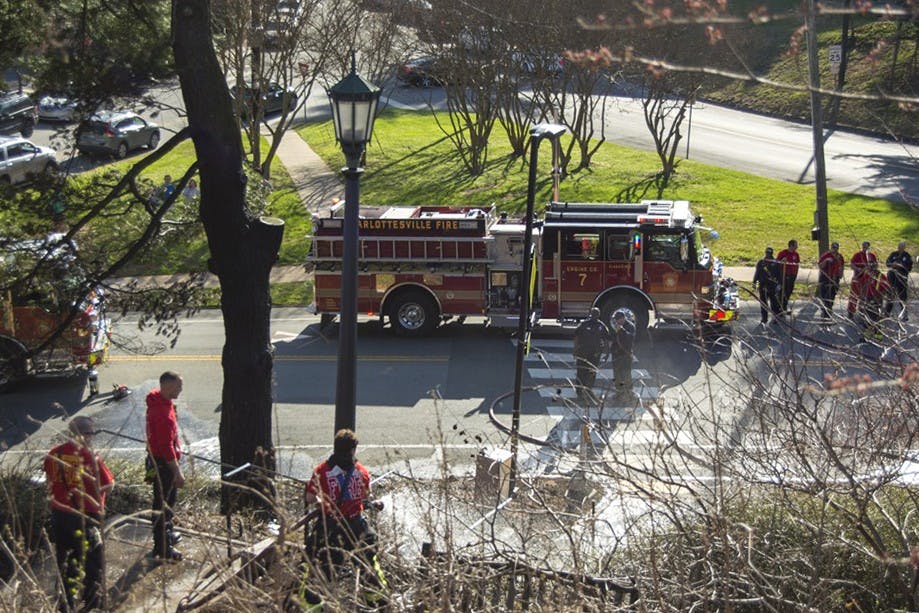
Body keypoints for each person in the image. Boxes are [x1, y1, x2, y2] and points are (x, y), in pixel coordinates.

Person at [302, 429, 387, 607]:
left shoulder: (321, 471)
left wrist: (321, 500)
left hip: (331, 530)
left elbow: (309, 499)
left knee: (322, 574)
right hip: (358, 528)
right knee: (368, 567)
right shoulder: (361, 472)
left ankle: (313, 608)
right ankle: (377, 605)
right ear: (353, 450)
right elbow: (366, 494)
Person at [43, 416, 114, 612]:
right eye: (91, 433)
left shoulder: (53, 453)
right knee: (94, 562)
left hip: (59, 516)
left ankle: (66, 602)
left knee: (66, 560)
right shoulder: (90, 457)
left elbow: (50, 478)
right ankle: (92, 602)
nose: (93, 436)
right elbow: (108, 485)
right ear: (83, 434)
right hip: (83, 518)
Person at [146, 371, 185, 561]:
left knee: (167, 503)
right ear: (168, 386)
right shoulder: (162, 414)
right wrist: (177, 471)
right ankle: (162, 548)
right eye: (178, 386)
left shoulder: (159, 402)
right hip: (164, 465)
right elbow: (165, 446)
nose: (181, 389)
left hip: (157, 460)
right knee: (163, 506)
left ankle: (167, 534)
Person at [571, 307, 611, 401]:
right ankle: (584, 390)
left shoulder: (586, 324)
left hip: (588, 353)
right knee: (588, 371)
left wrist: (575, 349)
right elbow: (606, 340)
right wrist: (607, 353)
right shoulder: (599, 325)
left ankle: (582, 390)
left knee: (585, 371)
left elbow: (576, 337)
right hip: (590, 353)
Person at [609, 310, 636, 402]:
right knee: (617, 375)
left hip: (625, 354)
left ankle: (629, 393)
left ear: (623, 318)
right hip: (616, 354)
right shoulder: (615, 326)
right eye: (616, 320)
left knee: (626, 374)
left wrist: (622, 330)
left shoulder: (630, 326)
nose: (617, 321)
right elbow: (613, 338)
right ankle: (619, 393)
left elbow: (630, 338)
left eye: (619, 319)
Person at [848, 241, 878, 318]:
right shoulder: (857, 255)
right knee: (854, 296)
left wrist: (872, 266)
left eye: (866, 247)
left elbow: (876, 266)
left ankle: (862, 312)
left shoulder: (872, 256)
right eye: (863, 247)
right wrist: (857, 269)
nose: (865, 248)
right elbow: (851, 264)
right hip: (858, 278)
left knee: (865, 296)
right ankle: (851, 312)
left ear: (869, 247)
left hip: (867, 279)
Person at [752, 247, 781, 324]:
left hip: (772, 286)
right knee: (763, 304)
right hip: (763, 286)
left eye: (770, 254)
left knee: (774, 304)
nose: (768, 255)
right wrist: (755, 284)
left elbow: (779, 275)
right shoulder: (761, 262)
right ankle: (764, 318)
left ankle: (776, 318)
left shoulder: (775, 263)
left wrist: (779, 285)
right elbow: (757, 275)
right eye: (767, 253)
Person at [885, 240, 912, 321]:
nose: (900, 248)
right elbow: (888, 263)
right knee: (890, 295)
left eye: (902, 246)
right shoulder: (893, 254)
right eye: (899, 246)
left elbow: (909, 267)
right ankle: (887, 313)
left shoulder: (907, 256)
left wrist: (900, 266)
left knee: (902, 297)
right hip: (892, 278)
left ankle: (904, 314)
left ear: (904, 247)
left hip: (901, 279)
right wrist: (892, 264)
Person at [817, 242, 845, 319]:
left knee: (832, 295)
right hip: (826, 278)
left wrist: (841, 273)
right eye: (833, 248)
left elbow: (842, 266)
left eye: (836, 248)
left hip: (835, 278)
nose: (834, 249)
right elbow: (820, 265)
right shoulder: (826, 255)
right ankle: (825, 312)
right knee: (825, 295)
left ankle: (829, 310)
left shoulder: (839, 257)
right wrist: (826, 261)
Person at [776, 239, 800, 314]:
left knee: (789, 292)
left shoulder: (796, 255)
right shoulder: (783, 253)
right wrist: (782, 261)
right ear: (791, 246)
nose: (797, 247)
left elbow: (797, 265)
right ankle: (779, 308)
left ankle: (784, 307)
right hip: (784, 275)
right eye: (795, 245)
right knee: (782, 292)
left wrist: (795, 274)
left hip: (792, 276)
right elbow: (776, 263)